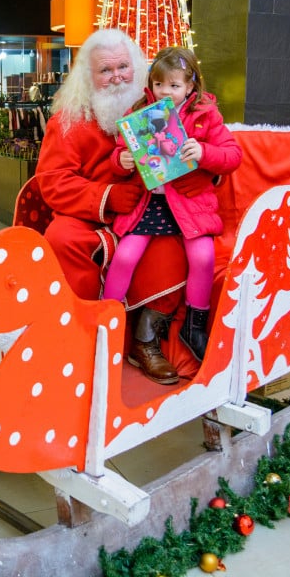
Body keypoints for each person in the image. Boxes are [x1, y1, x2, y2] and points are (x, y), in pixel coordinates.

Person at [35, 29, 210, 384]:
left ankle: (144, 340)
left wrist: (195, 174)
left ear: (138, 68)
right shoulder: (67, 121)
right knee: (61, 237)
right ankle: (79, 335)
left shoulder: (161, 110)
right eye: (105, 70)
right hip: (89, 218)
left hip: (147, 212)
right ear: (89, 76)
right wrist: (108, 198)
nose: (116, 77)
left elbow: (205, 152)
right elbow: (52, 181)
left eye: (123, 67)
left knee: (175, 248)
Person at [102, 46, 242, 364]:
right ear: (151, 84)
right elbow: (120, 155)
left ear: (191, 86)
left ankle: (194, 327)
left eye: (175, 85)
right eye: (159, 84)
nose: (166, 91)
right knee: (125, 256)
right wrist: (122, 161)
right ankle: (104, 323)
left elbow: (233, 156)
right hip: (150, 203)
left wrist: (204, 153)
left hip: (190, 205)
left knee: (203, 257)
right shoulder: (139, 114)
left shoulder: (206, 116)